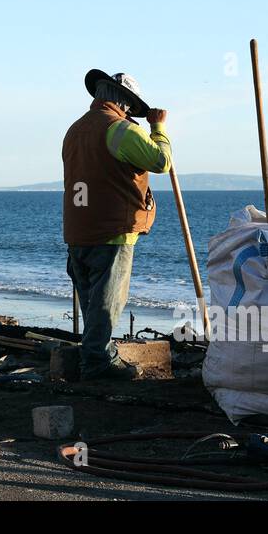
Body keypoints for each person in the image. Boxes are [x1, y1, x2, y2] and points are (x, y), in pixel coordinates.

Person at [61, 69, 171, 380]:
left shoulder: (74, 130)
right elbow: (161, 162)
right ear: (124, 102)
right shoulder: (119, 130)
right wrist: (158, 128)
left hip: (78, 228)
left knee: (92, 303)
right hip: (112, 230)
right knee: (107, 303)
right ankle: (98, 362)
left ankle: (92, 355)